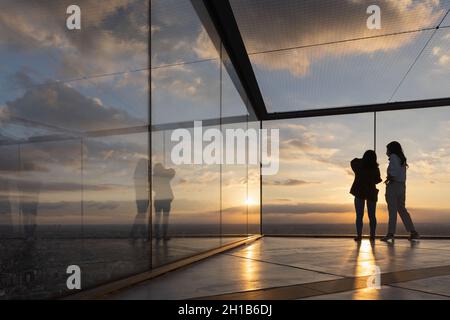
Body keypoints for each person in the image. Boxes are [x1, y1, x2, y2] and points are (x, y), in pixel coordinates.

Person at [381, 141, 420, 243]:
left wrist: (389, 177)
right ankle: (413, 232)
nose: (386, 152)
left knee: (392, 210)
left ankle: (390, 233)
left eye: (387, 149)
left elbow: (394, 172)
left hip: (394, 186)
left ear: (391, 149)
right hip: (402, 186)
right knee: (402, 209)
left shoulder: (393, 157)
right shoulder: (401, 159)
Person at [350, 150, 382, 242]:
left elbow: (353, 161)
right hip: (371, 191)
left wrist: (363, 160)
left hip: (359, 190)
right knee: (372, 215)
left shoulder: (359, 165)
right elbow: (377, 180)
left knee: (359, 215)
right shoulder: (375, 168)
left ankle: (359, 235)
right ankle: (372, 235)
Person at [153, 163, 175, 241]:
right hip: (164, 200)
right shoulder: (164, 177)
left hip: (159, 199)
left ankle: (158, 236)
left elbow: (173, 171)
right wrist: (164, 171)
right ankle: (163, 235)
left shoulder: (154, 177)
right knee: (164, 218)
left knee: (158, 218)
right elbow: (172, 172)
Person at [130, 158, 149, 240]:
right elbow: (144, 185)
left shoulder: (139, 174)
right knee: (141, 215)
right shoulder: (140, 175)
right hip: (142, 197)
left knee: (140, 215)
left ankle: (135, 233)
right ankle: (141, 233)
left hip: (142, 197)